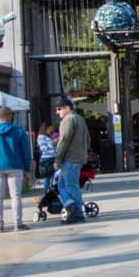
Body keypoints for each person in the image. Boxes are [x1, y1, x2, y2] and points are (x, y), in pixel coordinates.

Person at [0, 107, 33, 233]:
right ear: (10, 115)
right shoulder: (19, 131)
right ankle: (18, 224)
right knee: (16, 195)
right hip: (15, 166)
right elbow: (26, 151)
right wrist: (27, 169)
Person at [53, 96, 89, 225]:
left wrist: (58, 158)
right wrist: (84, 153)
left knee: (70, 186)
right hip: (78, 158)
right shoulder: (80, 119)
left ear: (67, 108)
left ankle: (77, 213)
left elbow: (64, 140)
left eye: (59, 109)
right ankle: (70, 204)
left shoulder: (68, 120)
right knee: (62, 185)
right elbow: (87, 139)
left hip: (69, 158)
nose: (57, 112)